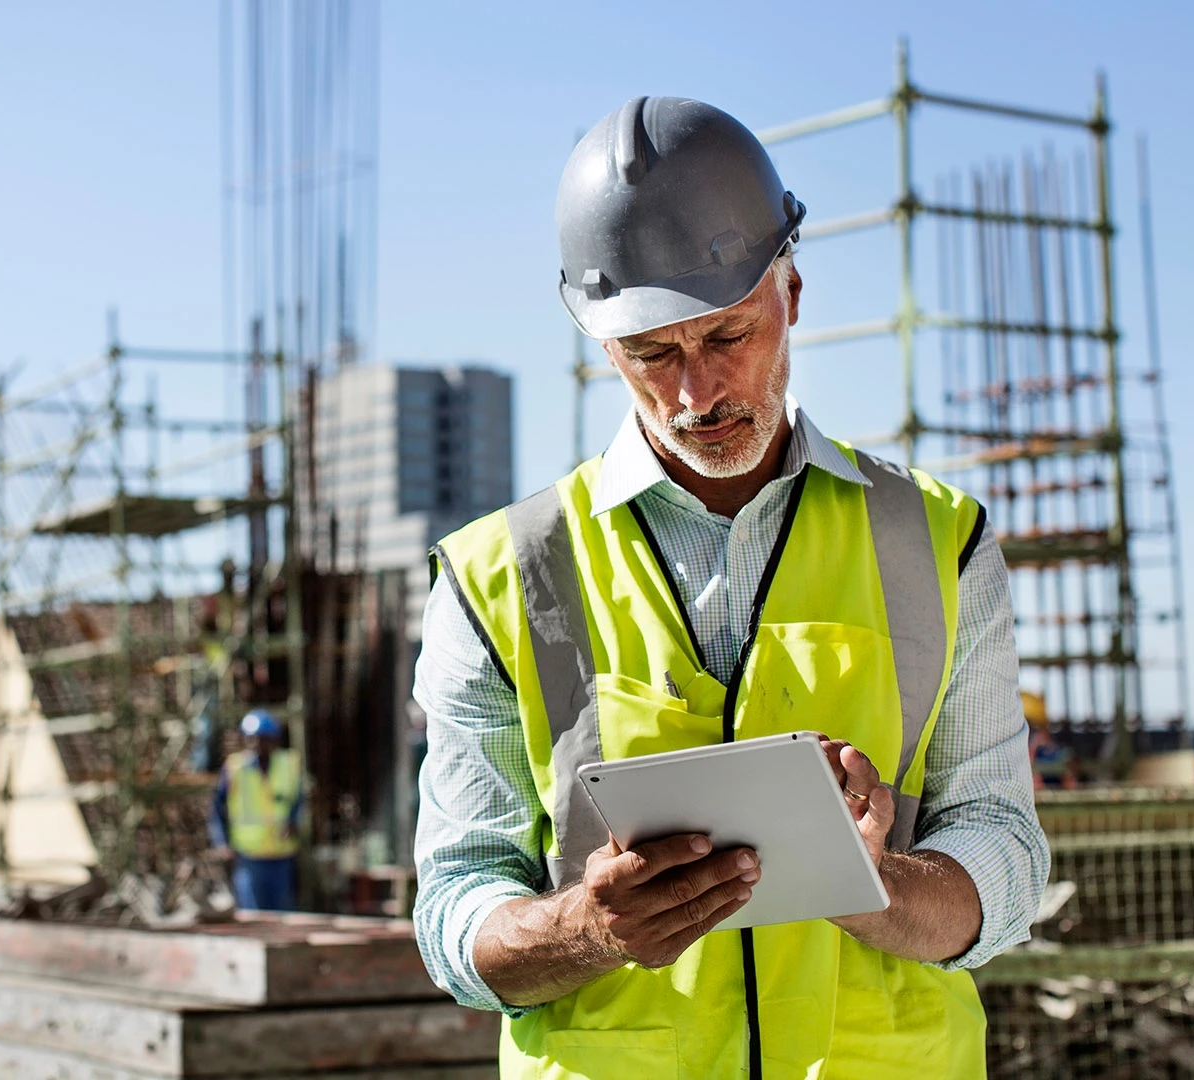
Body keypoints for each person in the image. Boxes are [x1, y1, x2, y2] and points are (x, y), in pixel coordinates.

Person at [411, 97, 1049, 1077]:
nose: (693, 395)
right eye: (651, 354)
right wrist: (588, 927)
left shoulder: (938, 542)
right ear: (598, 341)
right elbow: (455, 911)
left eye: (726, 337)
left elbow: (1004, 856)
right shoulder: (496, 577)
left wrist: (874, 882)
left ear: (791, 290)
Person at [209, 709, 302, 911]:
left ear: (274, 741)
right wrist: (221, 841)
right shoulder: (235, 769)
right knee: (253, 914)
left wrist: (294, 822)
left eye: (264, 740)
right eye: (253, 740)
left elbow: (299, 801)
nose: (259, 745)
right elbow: (217, 807)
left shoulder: (289, 765)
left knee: (282, 914)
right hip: (249, 858)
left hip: (281, 856)